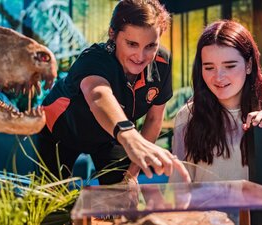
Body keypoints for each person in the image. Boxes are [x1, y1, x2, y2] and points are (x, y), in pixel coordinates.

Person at [39, 0, 190, 185]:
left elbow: (153, 119)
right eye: (132, 44)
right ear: (113, 34)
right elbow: (98, 95)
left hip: (111, 137)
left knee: (122, 196)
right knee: (50, 202)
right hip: (63, 131)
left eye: (150, 46)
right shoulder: (93, 59)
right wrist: (129, 135)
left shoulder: (162, 62)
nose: (141, 56)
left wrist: (132, 174)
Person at [170, 20, 262, 188]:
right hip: (209, 214)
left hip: (259, 214)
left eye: (230, 66)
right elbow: (178, 185)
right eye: (209, 67)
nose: (218, 77)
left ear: (248, 65)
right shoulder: (188, 115)